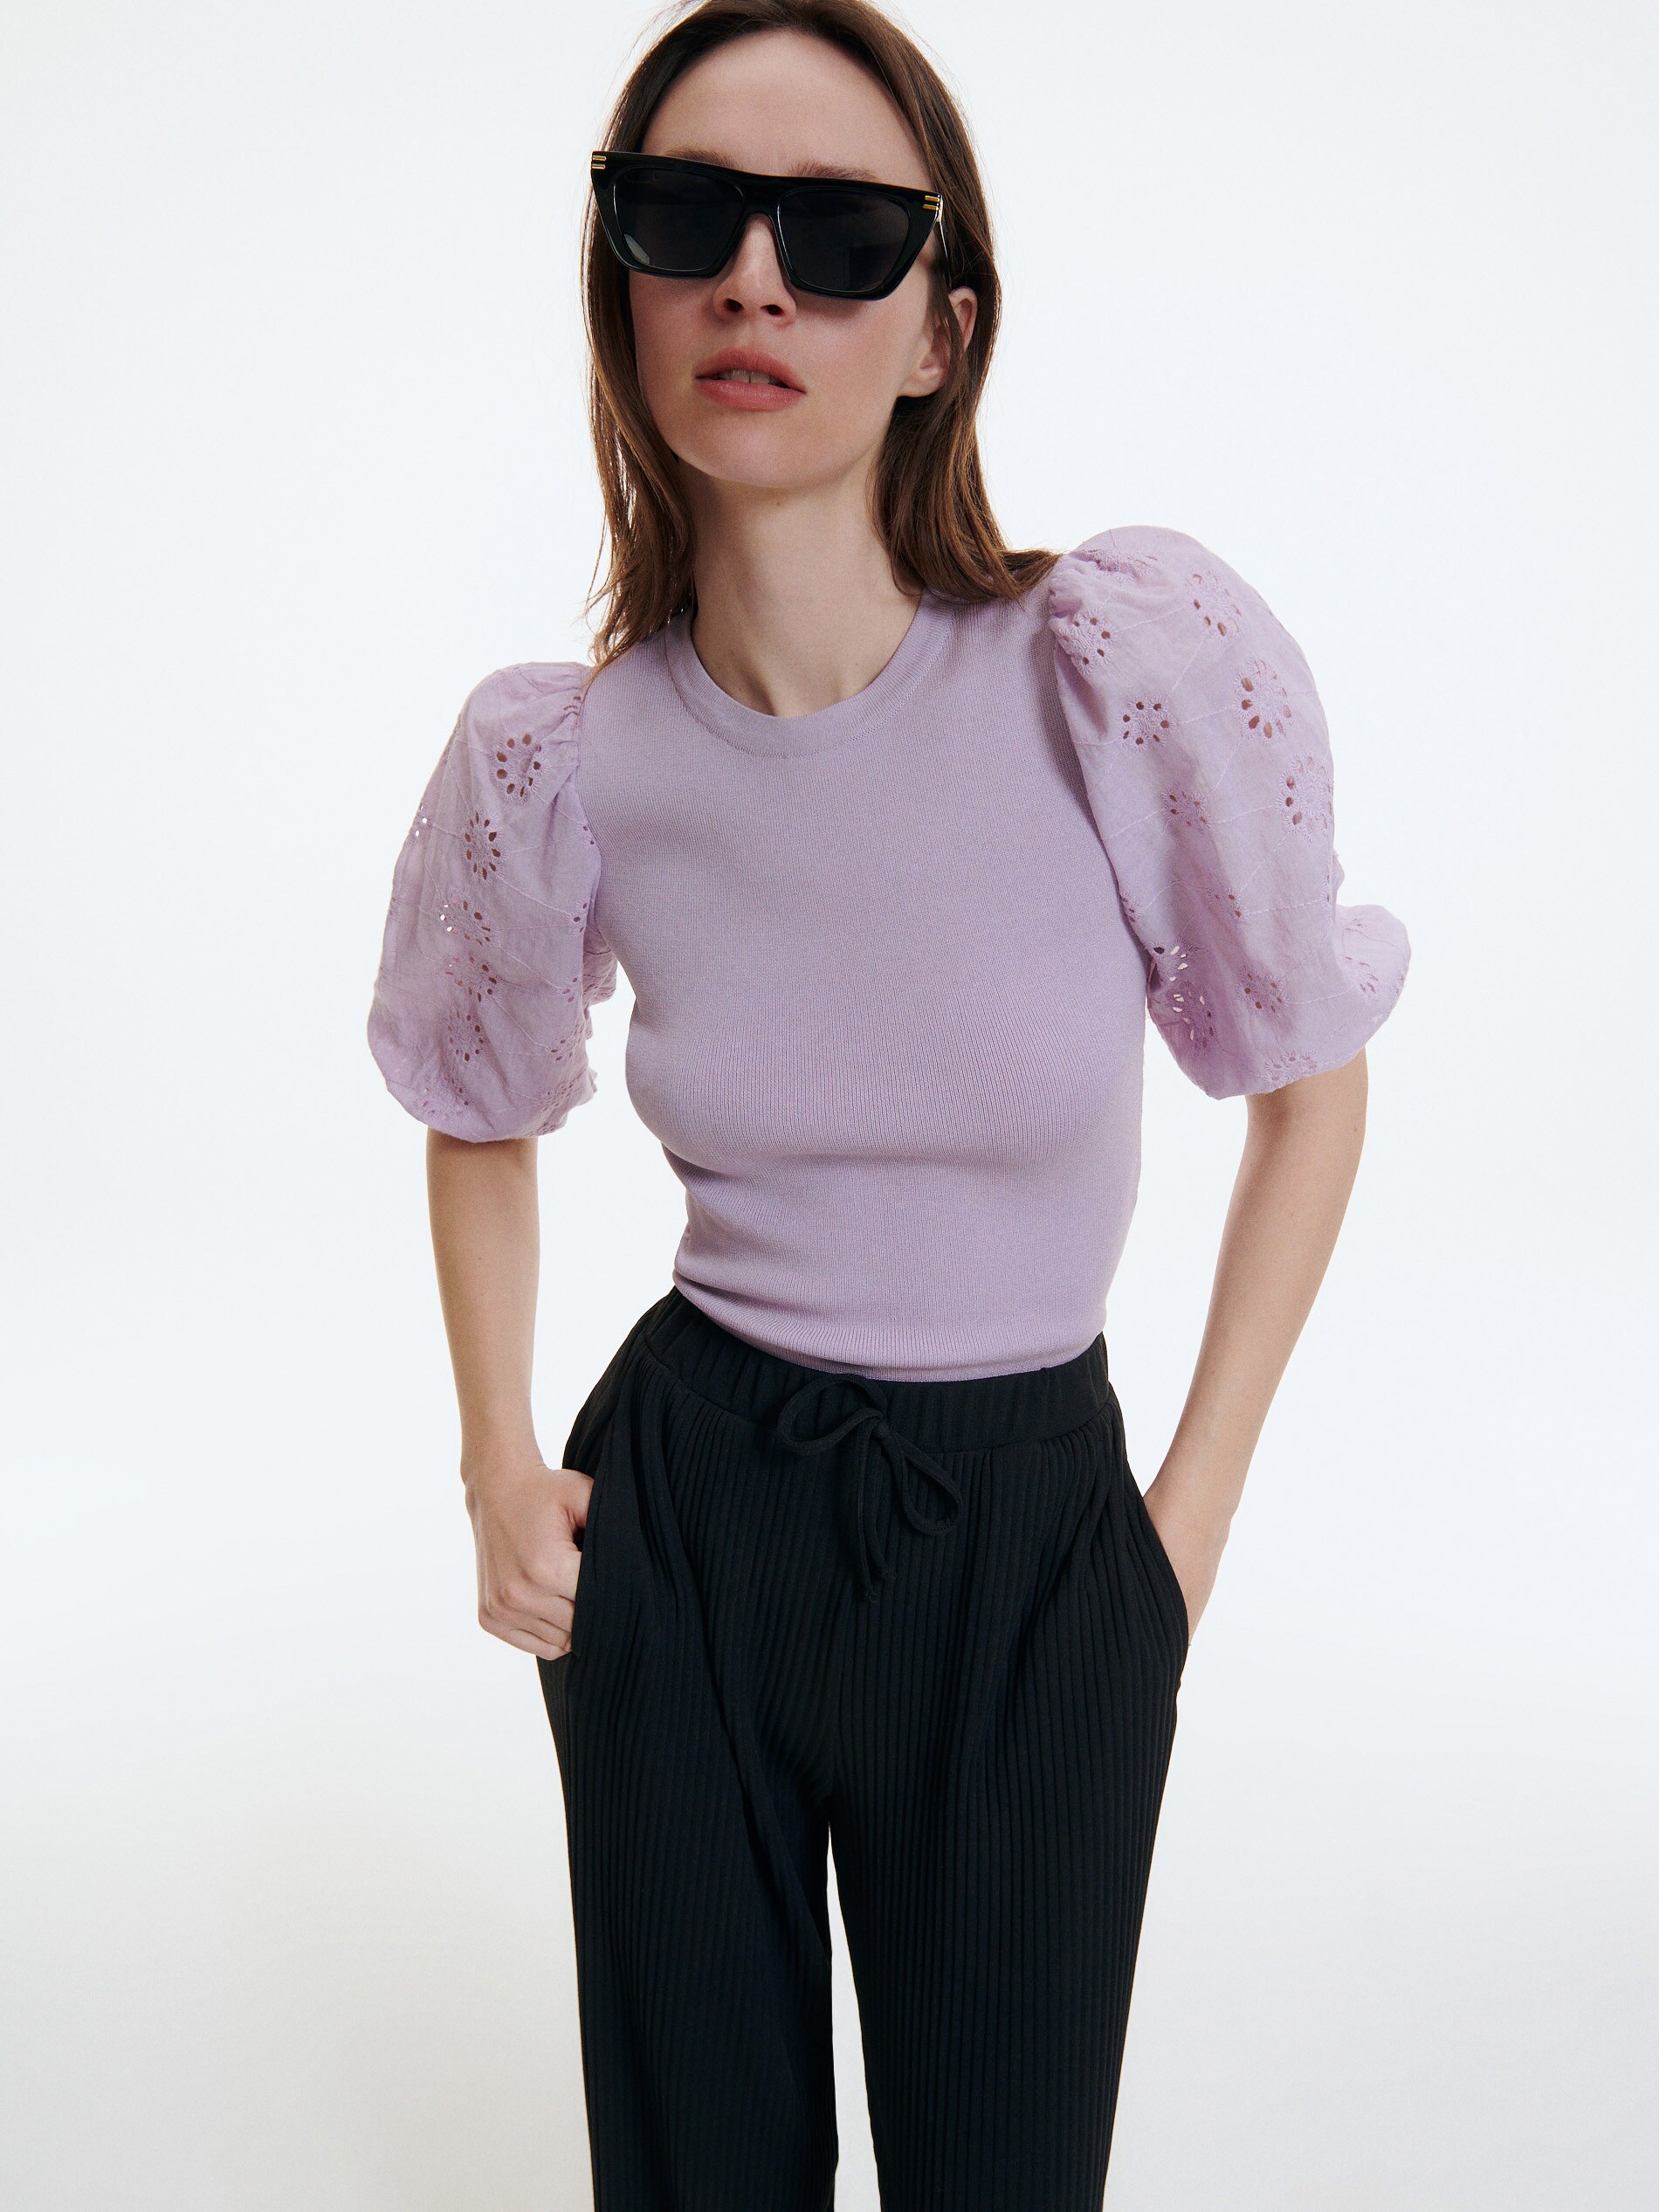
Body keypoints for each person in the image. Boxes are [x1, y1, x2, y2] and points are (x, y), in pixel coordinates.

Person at [365, 1, 1412, 2203]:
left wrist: (1170, 1541)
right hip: (685, 1524)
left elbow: (1305, 1090)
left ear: (942, 327)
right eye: (683, 216)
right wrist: (496, 1464)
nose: (751, 279)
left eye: (834, 232)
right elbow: (478, 1107)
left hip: (1031, 1544)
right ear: (621, 288)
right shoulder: (567, 757)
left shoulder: (1101, 680)